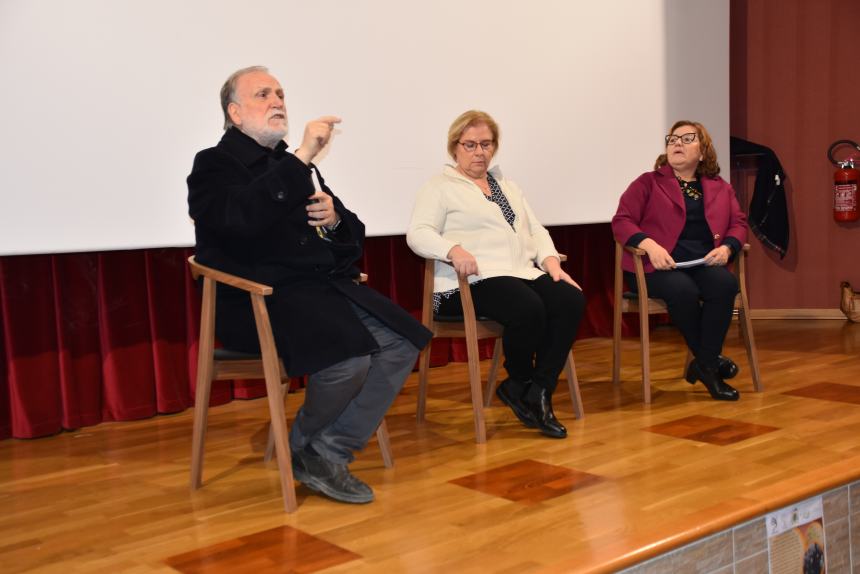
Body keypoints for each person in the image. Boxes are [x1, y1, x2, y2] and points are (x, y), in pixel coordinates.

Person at [187, 66, 431, 504]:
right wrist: (300, 158)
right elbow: (237, 220)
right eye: (263, 94)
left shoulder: (288, 164)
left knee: (400, 343)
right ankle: (313, 450)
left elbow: (351, 238)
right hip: (256, 300)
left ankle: (321, 449)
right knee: (349, 360)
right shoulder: (214, 164)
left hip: (315, 293)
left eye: (280, 93)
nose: (278, 101)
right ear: (235, 112)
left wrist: (335, 219)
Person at [406, 110, 586, 439]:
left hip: (517, 274)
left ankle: (535, 390)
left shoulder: (505, 186)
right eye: (471, 144)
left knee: (570, 299)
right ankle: (520, 381)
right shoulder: (440, 187)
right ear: (454, 148)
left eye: (486, 144)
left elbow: (535, 229)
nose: (479, 152)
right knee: (529, 307)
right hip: (461, 286)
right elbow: (417, 233)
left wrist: (551, 262)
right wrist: (453, 250)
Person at [612, 120, 747, 401]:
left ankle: (704, 363)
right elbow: (622, 221)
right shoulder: (648, 182)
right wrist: (649, 246)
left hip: (702, 264)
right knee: (683, 290)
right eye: (673, 139)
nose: (677, 143)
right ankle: (710, 364)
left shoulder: (719, 187)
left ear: (702, 152)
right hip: (656, 267)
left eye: (687, 139)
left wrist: (728, 249)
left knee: (724, 284)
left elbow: (739, 223)